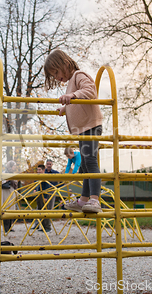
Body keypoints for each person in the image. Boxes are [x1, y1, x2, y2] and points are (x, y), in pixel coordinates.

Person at [44, 49, 103, 213]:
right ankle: (83, 200)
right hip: (84, 128)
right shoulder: (71, 82)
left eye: (56, 72)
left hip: (91, 126)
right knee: (84, 164)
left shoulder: (79, 75)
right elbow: (77, 100)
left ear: (65, 63)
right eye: (53, 75)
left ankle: (94, 200)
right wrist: (66, 108)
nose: (56, 77)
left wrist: (72, 96)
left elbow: (90, 91)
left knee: (90, 161)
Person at [31, 164, 54, 232]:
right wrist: (35, 189)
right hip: (39, 195)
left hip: (44, 195)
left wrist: (45, 197)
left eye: (39, 170)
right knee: (40, 210)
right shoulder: (37, 177)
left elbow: (47, 187)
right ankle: (42, 227)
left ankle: (47, 227)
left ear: (43, 170)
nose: (38, 171)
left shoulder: (45, 176)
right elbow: (35, 184)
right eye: (37, 170)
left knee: (46, 210)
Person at [2, 160, 19, 233]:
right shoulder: (4, 173)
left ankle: (9, 227)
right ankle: (6, 227)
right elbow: (1, 182)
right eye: (13, 166)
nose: (14, 168)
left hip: (11, 193)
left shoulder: (13, 174)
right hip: (6, 193)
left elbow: (15, 184)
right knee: (6, 209)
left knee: (11, 209)